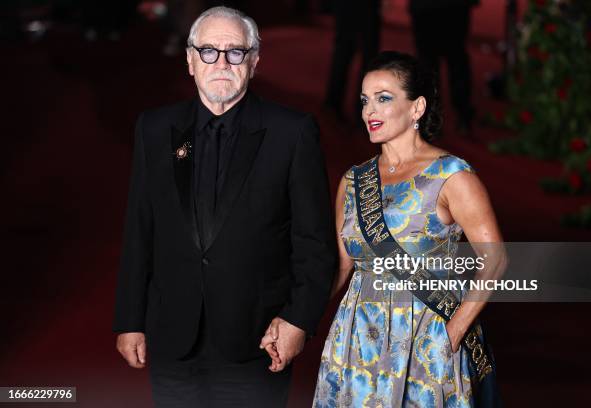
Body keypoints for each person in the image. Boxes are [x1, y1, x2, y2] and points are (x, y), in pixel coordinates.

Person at [112, 6, 337, 407]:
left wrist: (299, 320)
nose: (221, 62)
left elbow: (314, 242)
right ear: (189, 60)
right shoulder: (154, 128)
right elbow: (140, 229)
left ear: (253, 61)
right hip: (172, 339)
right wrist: (130, 320)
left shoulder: (292, 132)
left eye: (235, 52)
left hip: (257, 340)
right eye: (208, 51)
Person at [312, 51, 505, 407]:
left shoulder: (451, 175)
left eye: (384, 99)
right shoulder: (354, 181)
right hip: (356, 336)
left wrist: (454, 331)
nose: (370, 110)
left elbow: (495, 260)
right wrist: (301, 316)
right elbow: (341, 266)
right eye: (365, 100)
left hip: (424, 335)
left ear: (417, 108)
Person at [409, 0, 480, 133]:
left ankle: (431, 117)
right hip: (453, 7)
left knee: (429, 60)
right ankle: (462, 114)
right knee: (456, 58)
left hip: (427, 8)